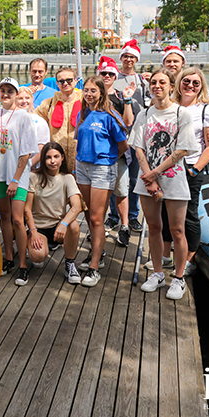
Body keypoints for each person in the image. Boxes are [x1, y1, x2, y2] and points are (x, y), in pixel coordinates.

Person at [130, 68, 199, 301]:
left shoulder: (181, 114)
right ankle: (158, 273)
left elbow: (182, 149)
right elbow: (138, 146)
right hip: (147, 179)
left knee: (177, 230)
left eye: (162, 82)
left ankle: (178, 278)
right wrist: (148, 177)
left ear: (172, 86)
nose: (157, 86)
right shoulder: (144, 114)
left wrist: (156, 173)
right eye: (153, 82)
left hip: (174, 177)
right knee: (154, 226)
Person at [73, 75, 129, 287]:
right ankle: (98, 253)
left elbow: (123, 145)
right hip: (82, 167)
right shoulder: (84, 112)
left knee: (97, 218)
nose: (88, 94)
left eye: (93, 91)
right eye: (86, 90)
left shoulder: (110, 115)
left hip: (101, 170)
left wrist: (108, 160)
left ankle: (94, 267)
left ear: (101, 92)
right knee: (88, 214)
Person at [0, 77, 39, 286]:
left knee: (18, 219)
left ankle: (23, 265)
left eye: (10, 91)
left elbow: (26, 153)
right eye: (3, 90)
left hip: (17, 176)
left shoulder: (24, 117)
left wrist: (16, 180)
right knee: (4, 217)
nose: (6, 94)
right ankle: (8, 258)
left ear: (17, 94)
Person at [173, 67, 209, 276]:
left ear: (201, 87)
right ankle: (169, 255)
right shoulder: (170, 106)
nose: (190, 85)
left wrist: (194, 169)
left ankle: (189, 257)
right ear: (179, 83)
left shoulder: (206, 110)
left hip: (191, 166)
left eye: (195, 83)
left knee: (189, 215)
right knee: (168, 213)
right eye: (186, 81)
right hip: (169, 167)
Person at [24, 142, 83, 283]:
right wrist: (33, 232)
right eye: (48, 157)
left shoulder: (67, 178)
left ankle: (69, 263)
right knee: (38, 257)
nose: (52, 161)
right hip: (39, 227)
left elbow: (76, 206)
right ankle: (34, 246)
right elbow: (27, 208)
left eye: (56, 156)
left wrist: (63, 223)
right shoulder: (34, 177)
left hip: (58, 227)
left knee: (74, 225)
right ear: (43, 159)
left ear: (62, 157)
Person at [97, 56, 137, 247]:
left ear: (115, 76)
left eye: (110, 73)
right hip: (97, 154)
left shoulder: (121, 96)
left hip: (118, 152)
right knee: (101, 192)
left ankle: (125, 225)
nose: (106, 76)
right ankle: (100, 227)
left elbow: (128, 122)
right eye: (103, 73)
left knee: (121, 190)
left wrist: (128, 100)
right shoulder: (91, 97)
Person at [110, 40, 147, 236]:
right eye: (126, 56)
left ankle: (133, 215)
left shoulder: (142, 80)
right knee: (113, 176)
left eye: (132, 57)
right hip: (117, 134)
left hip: (137, 134)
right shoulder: (113, 77)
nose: (129, 60)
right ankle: (113, 215)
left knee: (134, 177)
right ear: (121, 58)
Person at [34, 66, 82, 174]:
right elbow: (33, 118)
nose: (65, 83)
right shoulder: (49, 103)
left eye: (69, 80)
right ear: (57, 83)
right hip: (56, 162)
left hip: (79, 161)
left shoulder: (85, 101)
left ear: (75, 81)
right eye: (61, 81)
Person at [16, 86, 51, 171]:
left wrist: (27, 167)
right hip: (12, 166)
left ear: (32, 100)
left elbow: (41, 149)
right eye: (20, 98)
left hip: (32, 168)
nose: (24, 101)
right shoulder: (9, 120)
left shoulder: (40, 122)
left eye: (27, 98)